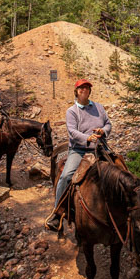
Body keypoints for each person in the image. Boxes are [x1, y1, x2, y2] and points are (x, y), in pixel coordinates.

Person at [45, 79, 112, 231]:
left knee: (119, 169)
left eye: (87, 88)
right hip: (80, 149)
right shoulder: (72, 111)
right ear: (76, 91)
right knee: (66, 175)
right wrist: (87, 138)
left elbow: (108, 123)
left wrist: (103, 131)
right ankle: (57, 212)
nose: (84, 90)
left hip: (100, 147)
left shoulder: (99, 107)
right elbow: (72, 132)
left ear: (89, 91)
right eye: (81, 88)